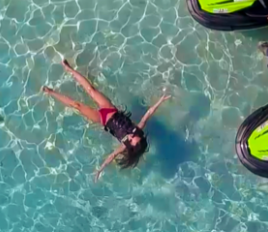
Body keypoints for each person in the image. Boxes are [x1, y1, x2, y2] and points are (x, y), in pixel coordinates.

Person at [42, 58, 171, 181]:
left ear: (130, 146)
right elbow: (148, 113)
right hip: (110, 109)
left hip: (102, 119)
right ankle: (69, 69)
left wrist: (100, 170)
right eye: (135, 136)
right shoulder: (138, 129)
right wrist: (161, 100)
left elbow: (111, 156)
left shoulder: (123, 146)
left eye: (131, 139)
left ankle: (51, 92)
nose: (132, 135)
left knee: (77, 105)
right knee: (91, 90)